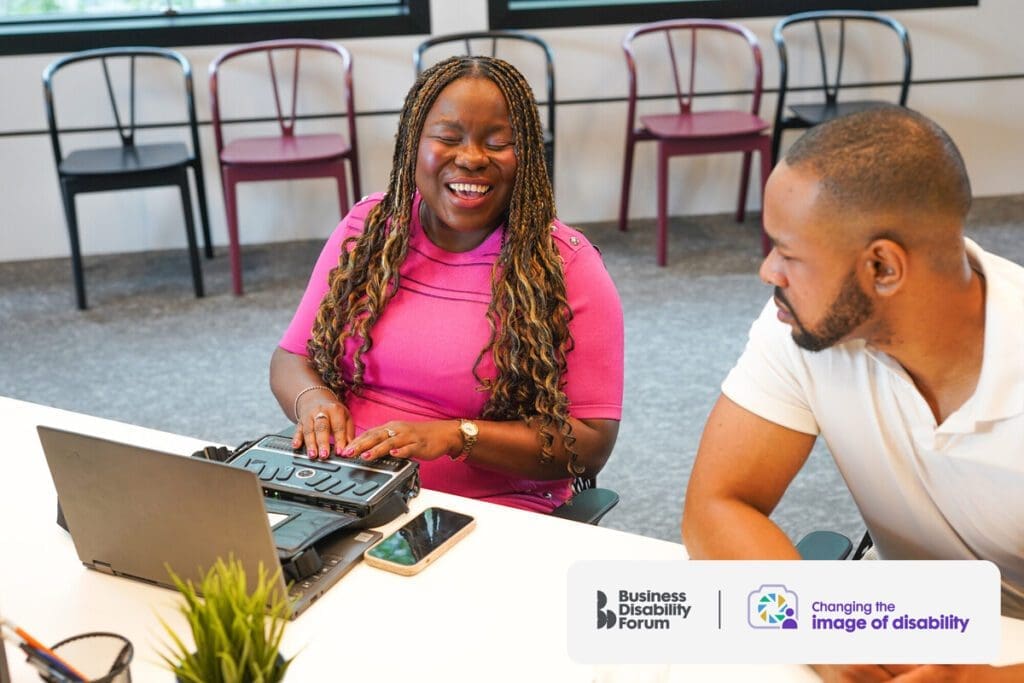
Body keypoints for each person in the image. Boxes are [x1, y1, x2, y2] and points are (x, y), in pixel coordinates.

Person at [682, 106, 1023, 681]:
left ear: (883, 268)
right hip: (910, 629)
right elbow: (716, 506)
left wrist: (980, 677)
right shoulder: (804, 327)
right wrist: (812, 623)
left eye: (788, 254)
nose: (768, 272)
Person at [270, 56, 623, 514]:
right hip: (347, 488)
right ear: (414, 145)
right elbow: (291, 357)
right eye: (448, 138)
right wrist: (312, 399)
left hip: (489, 510)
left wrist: (457, 435)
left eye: (498, 143)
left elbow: (590, 442)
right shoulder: (369, 228)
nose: (472, 158)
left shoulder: (566, 265)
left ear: (528, 157)